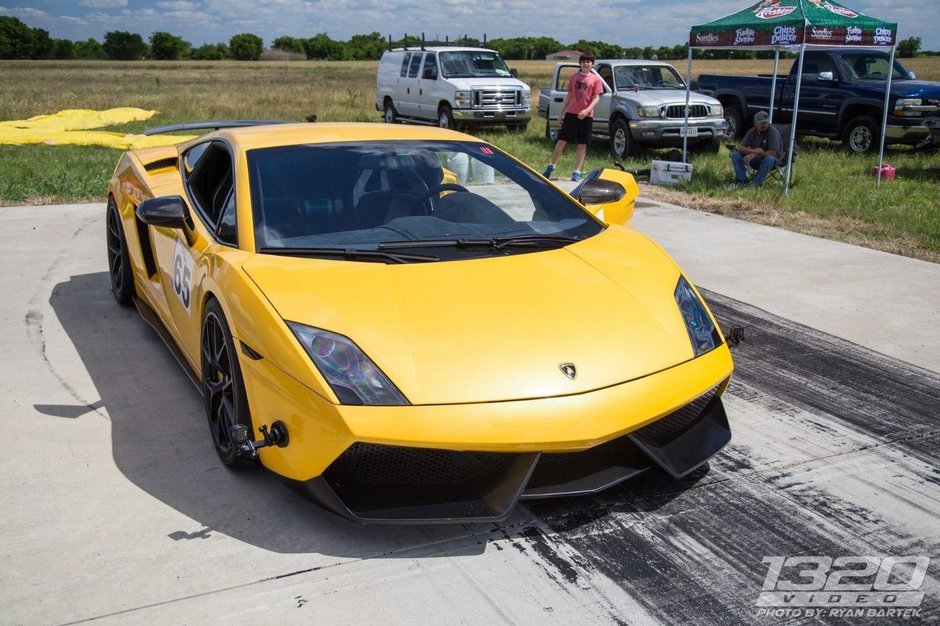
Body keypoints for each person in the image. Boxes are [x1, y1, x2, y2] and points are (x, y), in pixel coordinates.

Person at [543, 53, 605, 182]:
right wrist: (561, 114)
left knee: (582, 144)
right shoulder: (574, 77)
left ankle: (576, 171)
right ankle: (552, 165)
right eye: (583, 61)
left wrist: (587, 110)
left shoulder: (596, 79)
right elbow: (568, 95)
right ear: (580, 63)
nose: (586, 64)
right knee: (561, 141)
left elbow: (596, 97)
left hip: (586, 116)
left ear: (592, 64)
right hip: (571, 114)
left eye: (588, 62)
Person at [732, 111, 782, 187]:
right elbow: (740, 147)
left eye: (766, 122)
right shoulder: (751, 132)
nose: (764, 125)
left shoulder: (772, 131)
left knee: (769, 159)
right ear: (755, 124)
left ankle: (754, 184)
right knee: (735, 154)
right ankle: (742, 182)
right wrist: (752, 151)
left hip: (773, 162)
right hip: (756, 159)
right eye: (761, 123)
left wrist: (754, 155)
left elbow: (773, 152)